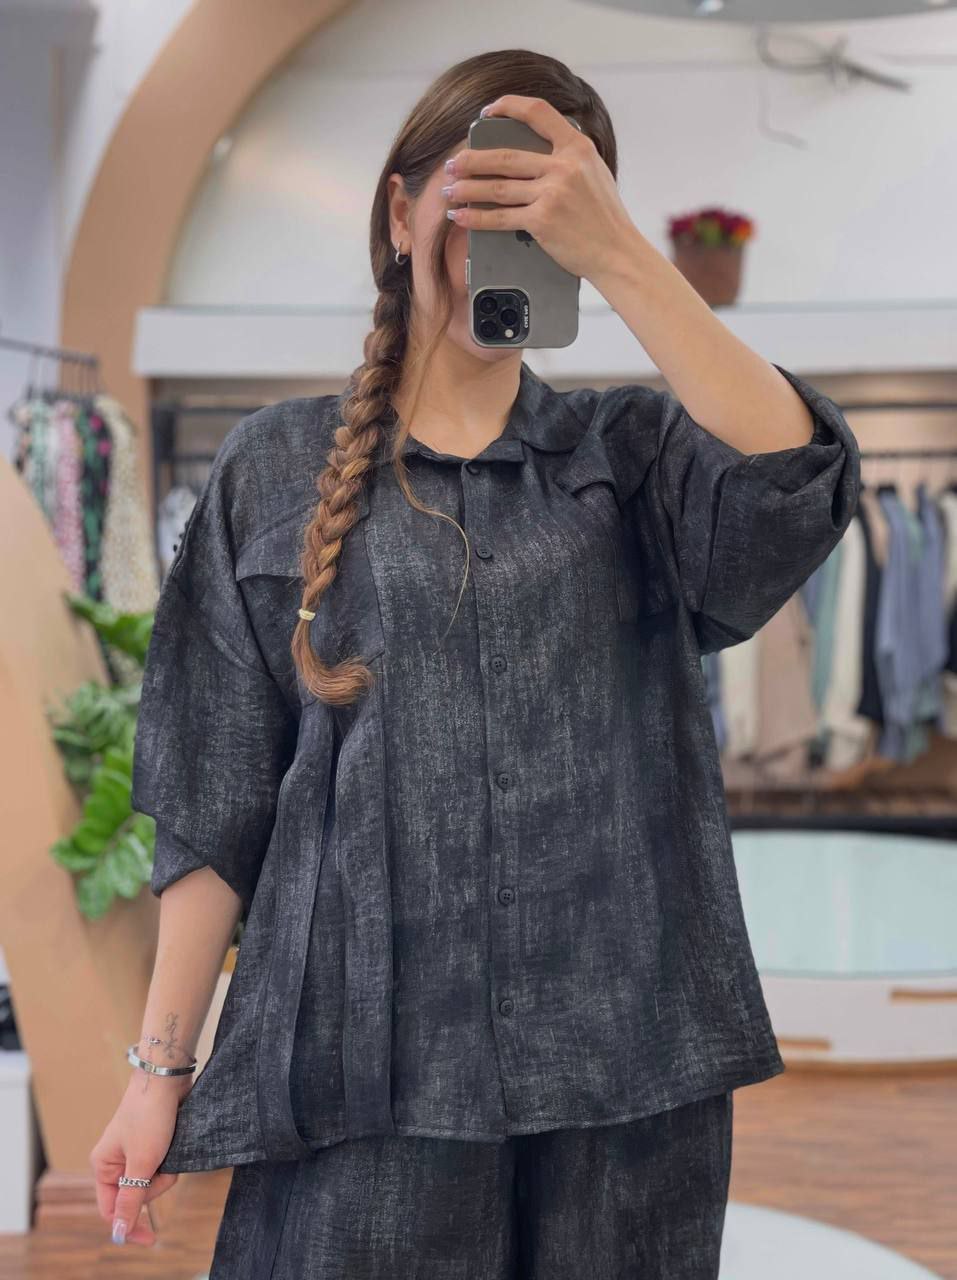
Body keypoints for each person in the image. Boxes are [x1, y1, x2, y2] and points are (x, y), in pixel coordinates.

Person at [89, 48, 861, 1279]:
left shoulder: (634, 455)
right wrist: (157, 1068)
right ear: (400, 214)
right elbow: (212, 799)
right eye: (478, 195)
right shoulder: (272, 469)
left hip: (622, 1080)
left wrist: (622, 253)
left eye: (547, 211)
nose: (509, 234)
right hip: (358, 1080)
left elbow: (794, 481)